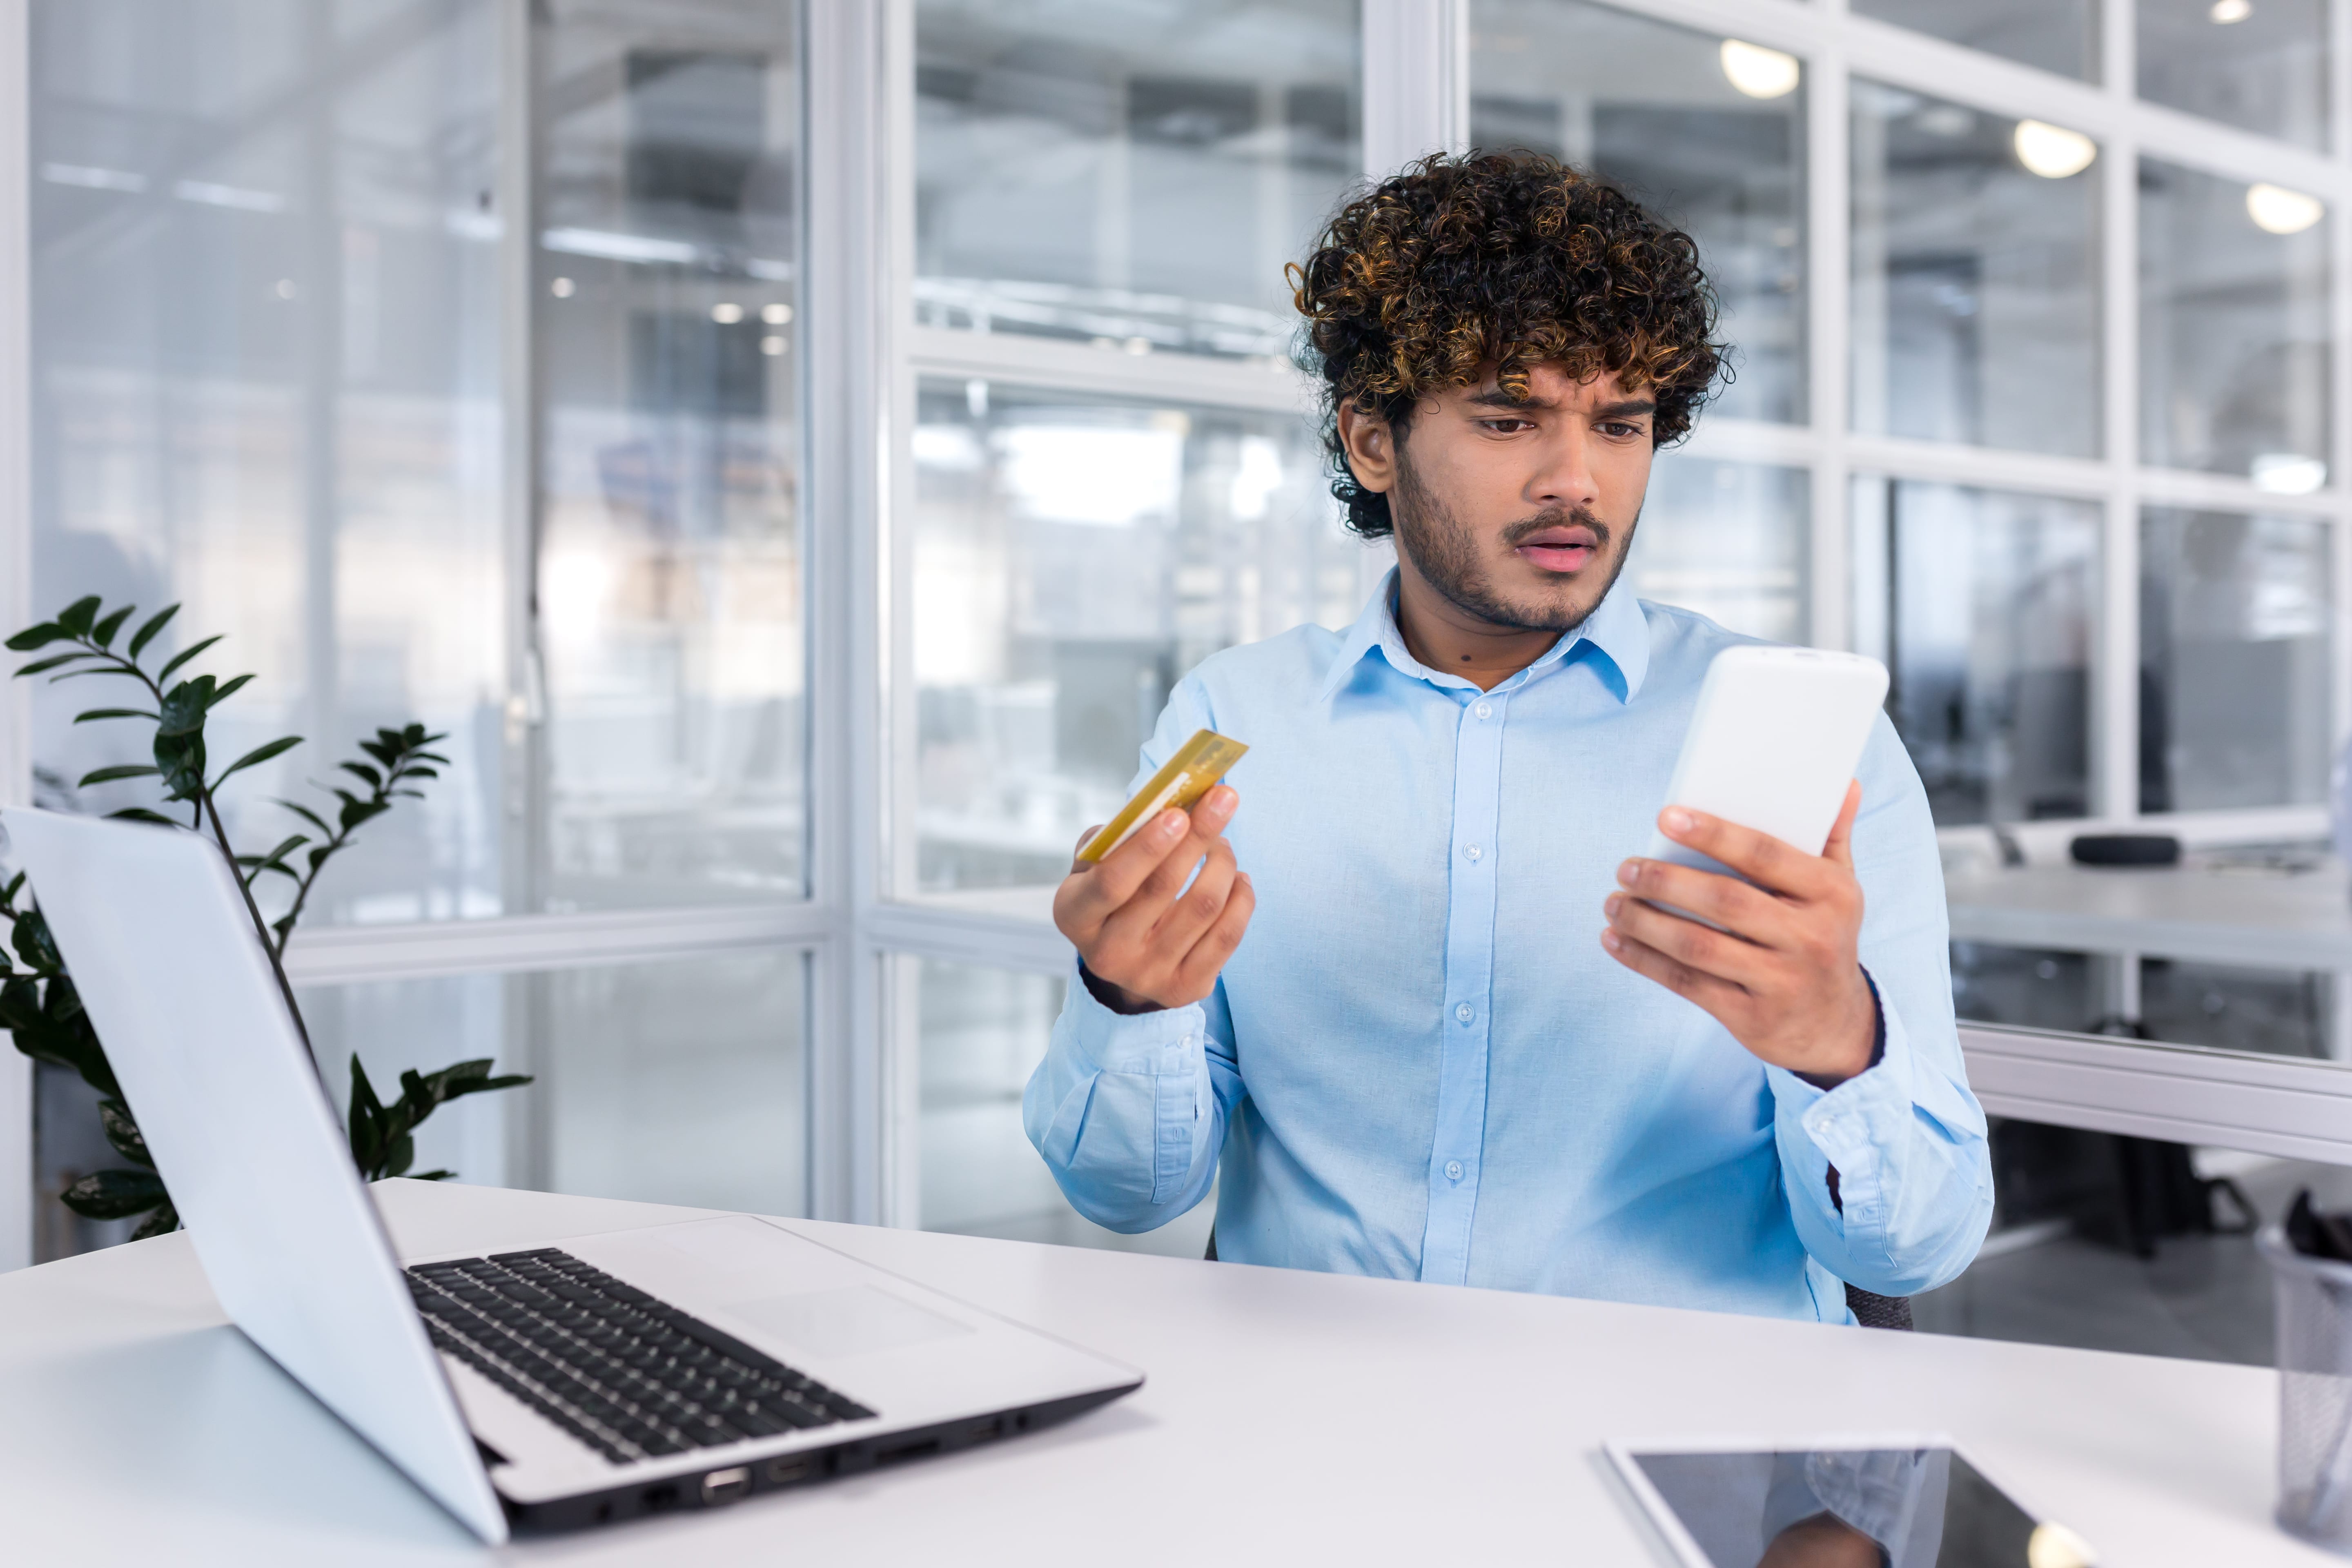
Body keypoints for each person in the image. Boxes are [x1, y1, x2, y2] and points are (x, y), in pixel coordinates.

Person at [1023, 151, 1991, 1322]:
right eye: (1507, 417)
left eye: (1620, 424)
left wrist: (1838, 1040)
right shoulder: (1237, 721)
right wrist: (1125, 1000)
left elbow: (1919, 1249)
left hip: (1684, 1449)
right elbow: (1128, 1194)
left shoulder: (1814, 753)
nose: (1576, 480)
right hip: (1312, 1439)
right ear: (1374, 442)